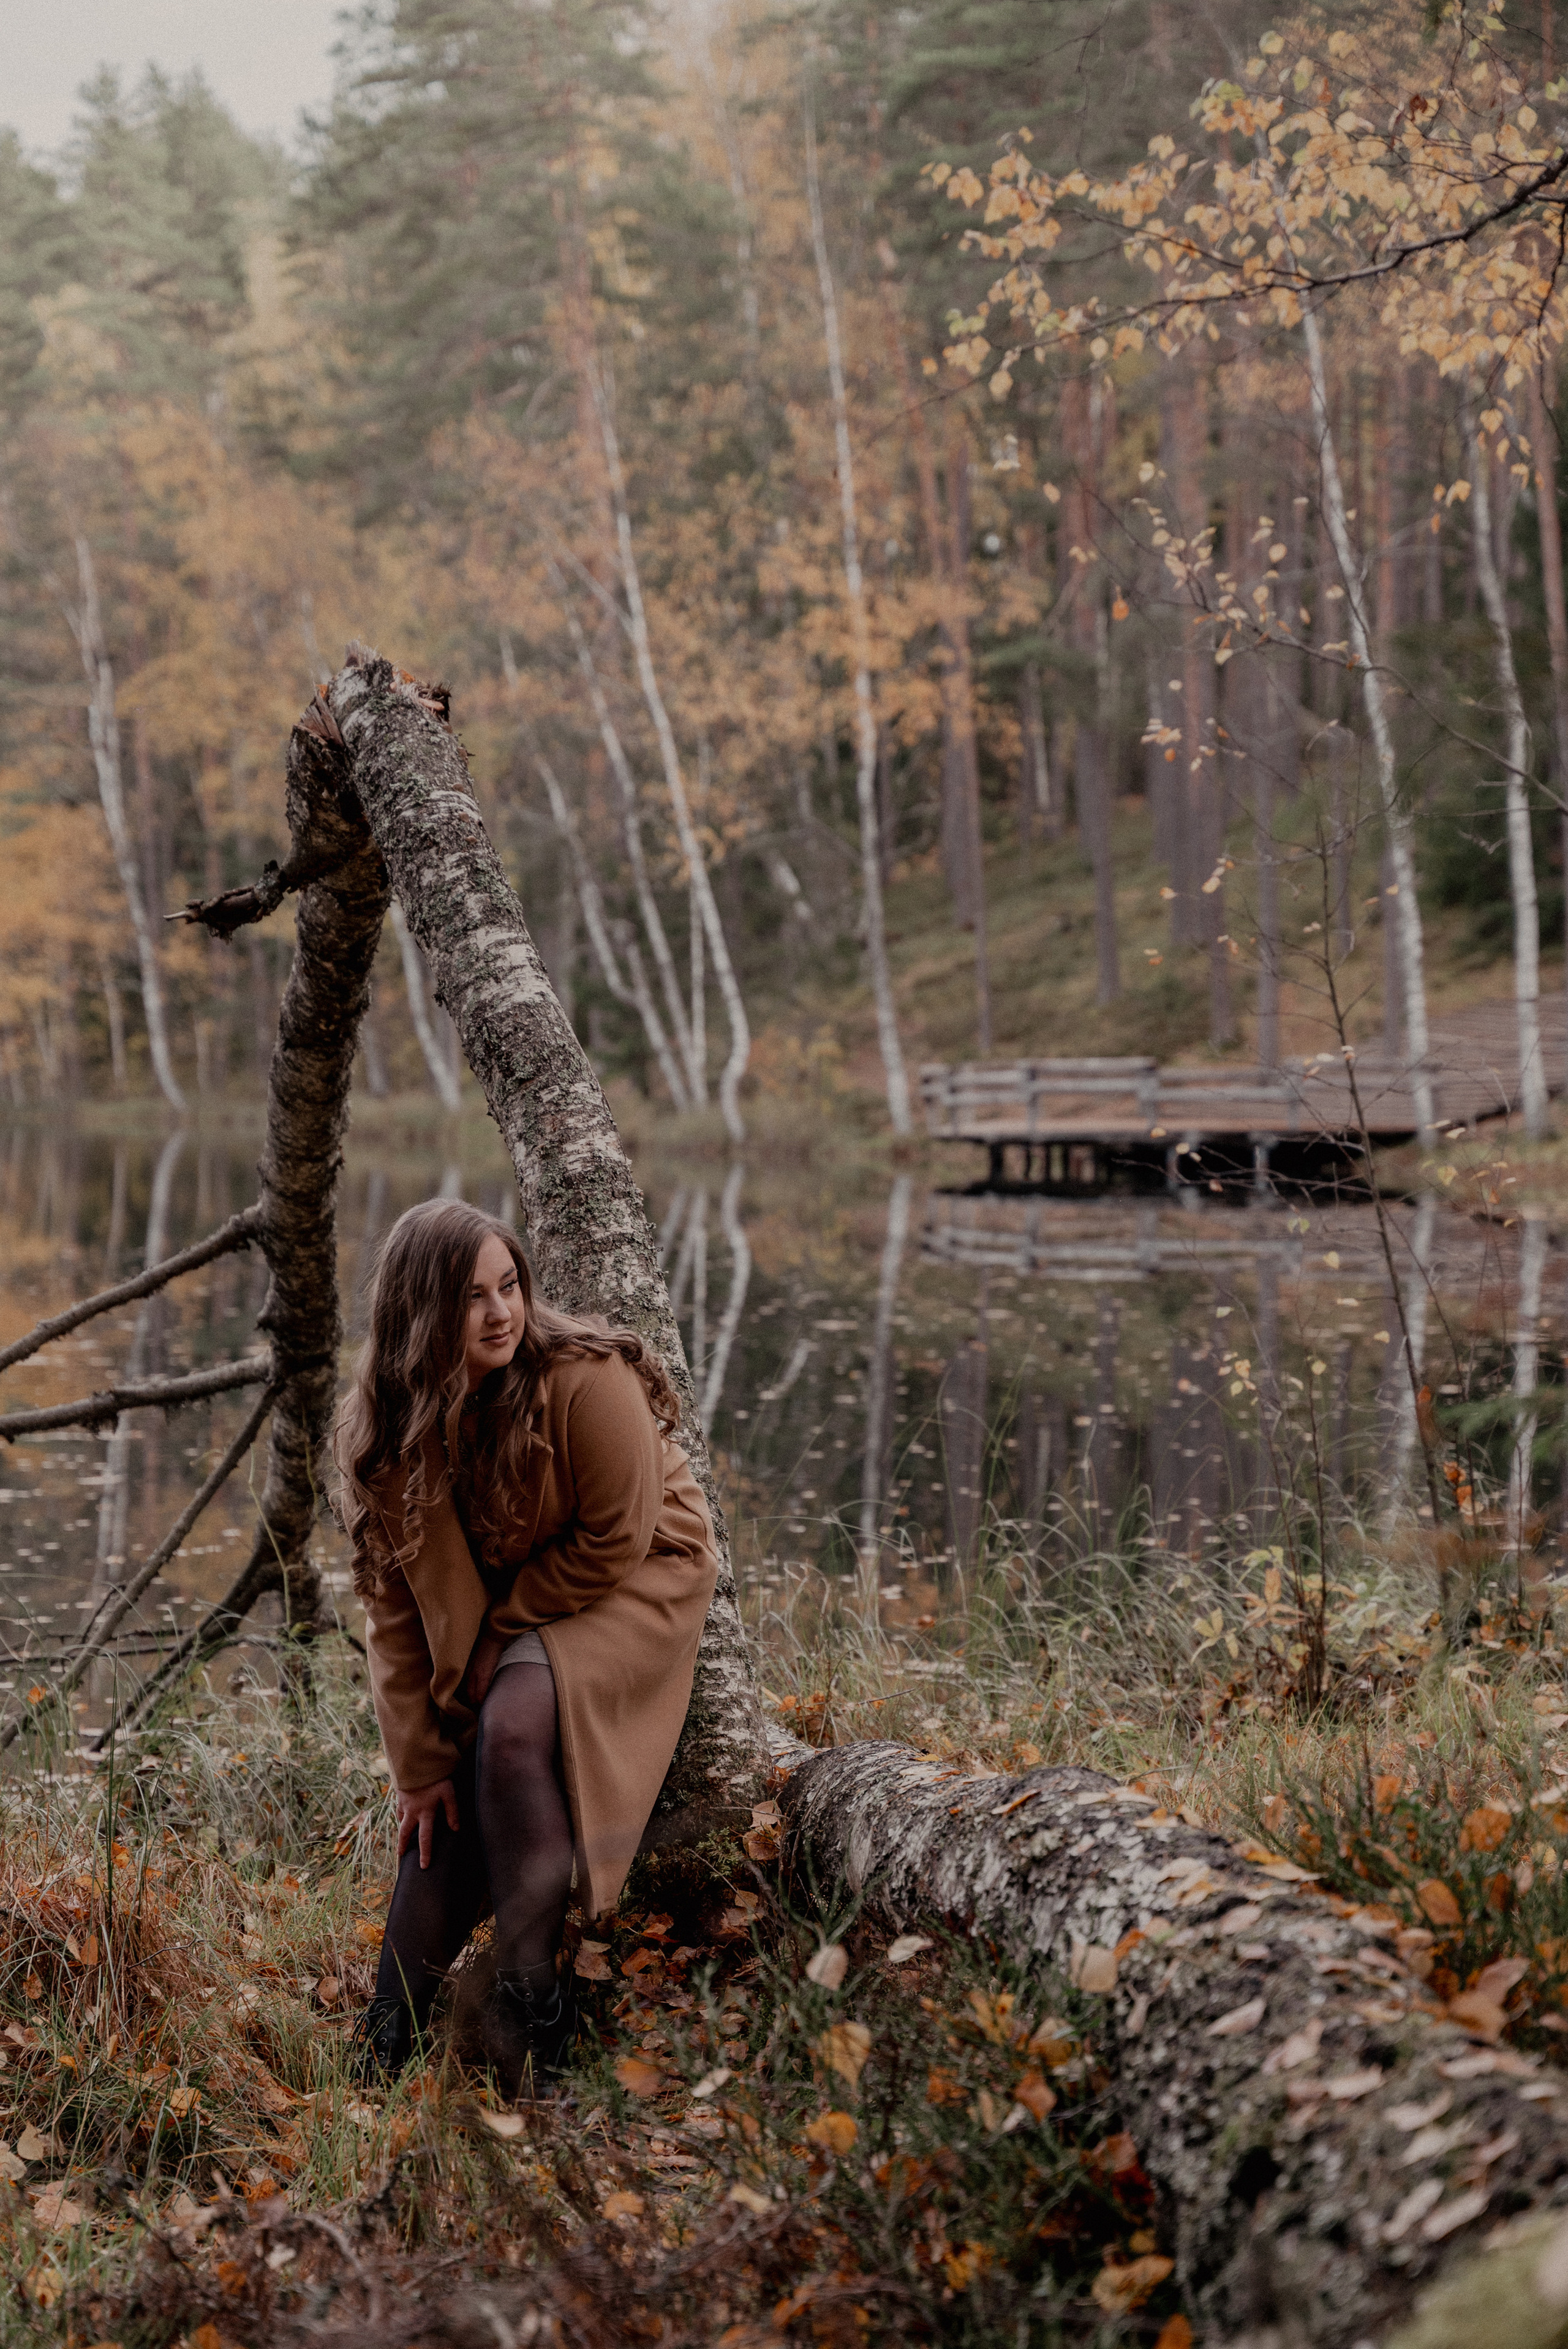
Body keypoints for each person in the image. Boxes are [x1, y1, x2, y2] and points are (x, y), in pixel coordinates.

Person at [334, 1197, 718, 2094]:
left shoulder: (585, 1376)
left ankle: (533, 2011)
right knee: (451, 1788)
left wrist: (503, 1631)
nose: (502, 1311)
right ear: (423, 1315)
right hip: (520, 1603)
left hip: (639, 1576)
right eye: (474, 1297)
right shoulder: (388, 1430)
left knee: (507, 1729)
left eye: (509, 1285)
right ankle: (386, 2035)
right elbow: (394, 1613)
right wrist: (418, 1768)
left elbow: (618, 1537)